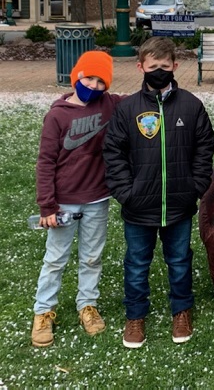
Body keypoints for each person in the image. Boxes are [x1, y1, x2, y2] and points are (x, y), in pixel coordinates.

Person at [103, 37, 214, 349]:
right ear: (140, 67)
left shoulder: (191, 106)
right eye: (153, 67)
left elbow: (205, 146)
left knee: (179, 261)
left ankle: (181, 311)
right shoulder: (128, 109)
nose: (159, 72)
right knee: (137, 263)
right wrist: (126, 192)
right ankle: (135, 315)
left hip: (179, 205)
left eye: (165, 67)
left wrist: (196, 186)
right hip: (139, 208)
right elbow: (113, 152)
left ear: (175, 67)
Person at [31, 51, 121, 348]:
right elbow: (45, 161)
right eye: (89, 78)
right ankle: (43, 311)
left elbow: (141, 102)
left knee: (92, 257)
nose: (93, 86)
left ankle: (87, 305)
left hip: (97, 198)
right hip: (64, 202)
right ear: (76, 76)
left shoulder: (109, 104)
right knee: (55, 259)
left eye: (100, 81)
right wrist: (47, 204)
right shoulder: (57, 114)